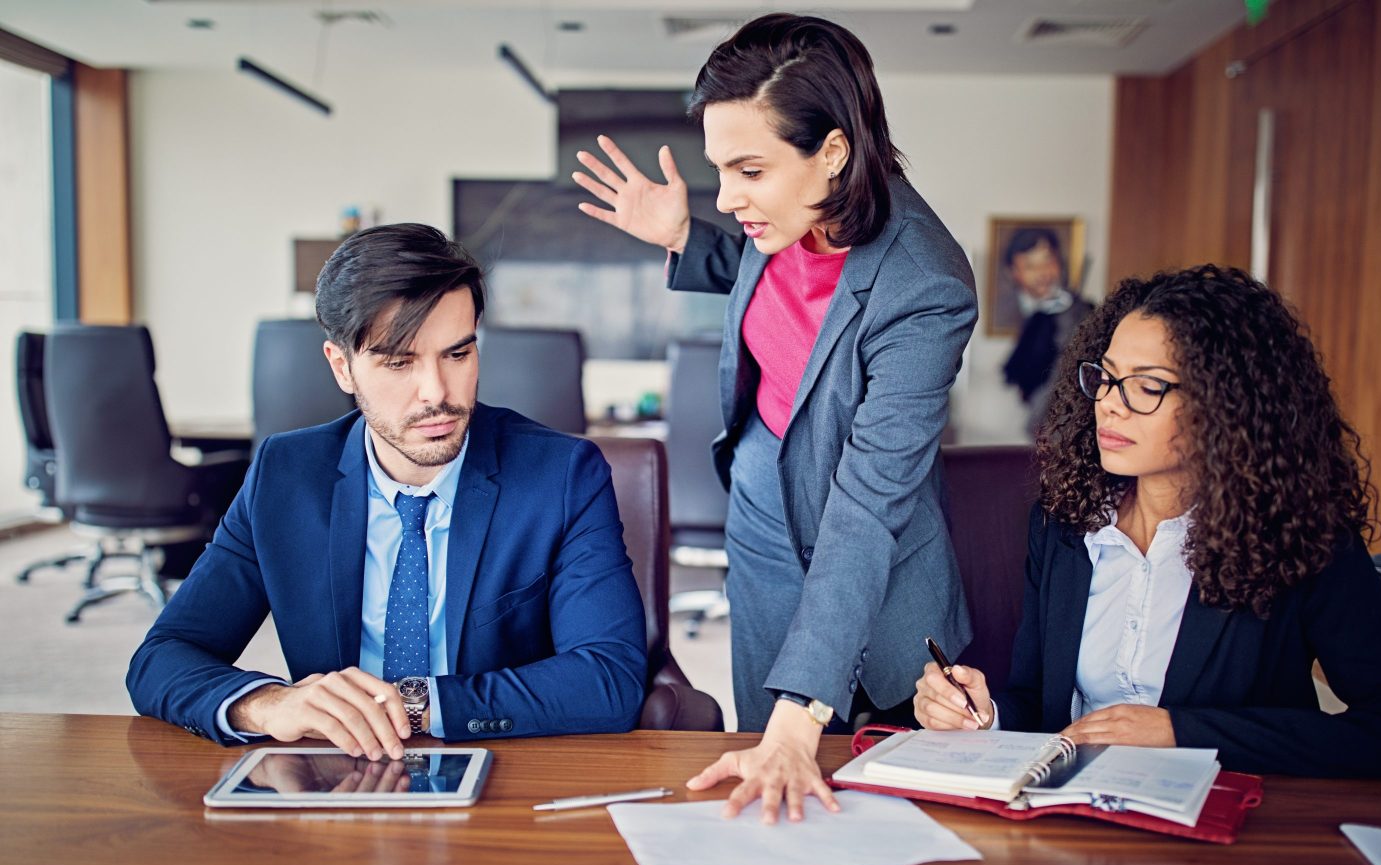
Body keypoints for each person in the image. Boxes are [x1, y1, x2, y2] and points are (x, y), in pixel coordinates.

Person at [573, 13, 978, 822]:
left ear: (833, 152)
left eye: (748, 170)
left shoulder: (925, 287)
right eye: (719, 169)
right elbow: (775, 280)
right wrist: (687, 235)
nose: (728, 197)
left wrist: (806, 717)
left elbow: (866, 506)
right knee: (766, 769)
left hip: (874, 544)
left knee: (884, 790)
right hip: (762, 504)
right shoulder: (790, 211)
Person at [127, 223, 648, 757]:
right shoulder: (285, 475)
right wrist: (266, 703)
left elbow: (610, 678)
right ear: (341, 367)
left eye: (457, 355)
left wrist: (408, 705)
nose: (437, 394)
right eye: (399, 362)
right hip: (336, 777)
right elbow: (164, 657)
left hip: (504, 767)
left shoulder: (561, 474)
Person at [914, 264, 1381, 778]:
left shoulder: (1302, 539)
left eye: (1147, 386)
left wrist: (1179, 732)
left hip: (1229, 836)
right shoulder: (1066, 526)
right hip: (1066, 822)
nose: (1108, 406)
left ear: (1228, 403)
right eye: (1107, 377)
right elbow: (1040, 704)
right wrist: (983, 716)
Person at [1000, 227, 1092, 435]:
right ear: (1013, 271)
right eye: (1030, 265)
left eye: (1047, 261)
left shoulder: (1077, 315)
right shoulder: (1031, 313)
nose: (1042, 272)